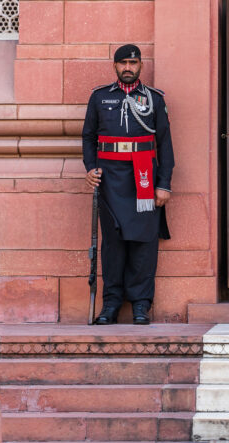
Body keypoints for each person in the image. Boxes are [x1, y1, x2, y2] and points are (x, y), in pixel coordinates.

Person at [82, 44, 174, 325]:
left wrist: (164, 184)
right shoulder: (100, 98)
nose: (127, 68)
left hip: (144, 178)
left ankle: (140, 305)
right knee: (113, 244)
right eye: (122, 63)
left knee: (144, 244)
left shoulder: (154, 100)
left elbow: (165, 145)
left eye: (132, 63)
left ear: (140, 66)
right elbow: (88, 138)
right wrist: (90, 168)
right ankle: (110, 304)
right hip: (110, 179)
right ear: (114, 66)